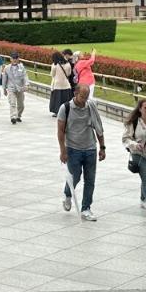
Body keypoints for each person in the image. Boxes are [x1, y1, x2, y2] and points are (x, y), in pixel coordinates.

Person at [57, 85, 106, 221]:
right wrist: (63, 150)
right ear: (76, 93)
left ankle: (86, 208)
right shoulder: (65, 108)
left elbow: (99, 126)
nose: (84, 100)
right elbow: (60, 131)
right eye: (82, 97)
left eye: (86, 97)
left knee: (90, 180)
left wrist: (102, 147)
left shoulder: (91, 106)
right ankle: (68, 193)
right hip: (73, 148)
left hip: (90, 148)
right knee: (75, 176)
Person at [2, 51, 28, 124]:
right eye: (13, 58)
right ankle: (13, 117)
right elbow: (4, 79)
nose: (15, 59)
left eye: (16, 58)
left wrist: (26, 85)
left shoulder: (21, 67)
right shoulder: (7, 68)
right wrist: (4, 89)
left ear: (18, 59)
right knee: (12, 103)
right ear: (10, 59)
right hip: (11, 88)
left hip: (20, 88)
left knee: (21, 105)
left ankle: (18, 116)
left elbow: (25, 76)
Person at [48, 52, 74, 116]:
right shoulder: (67, 64)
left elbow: (53, 74)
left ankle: (57, 112)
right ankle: (66, 112)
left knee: (57, 100)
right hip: (66, 84)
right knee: (65, 99)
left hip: (57, 85)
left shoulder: (54, 65)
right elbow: (69, 74)